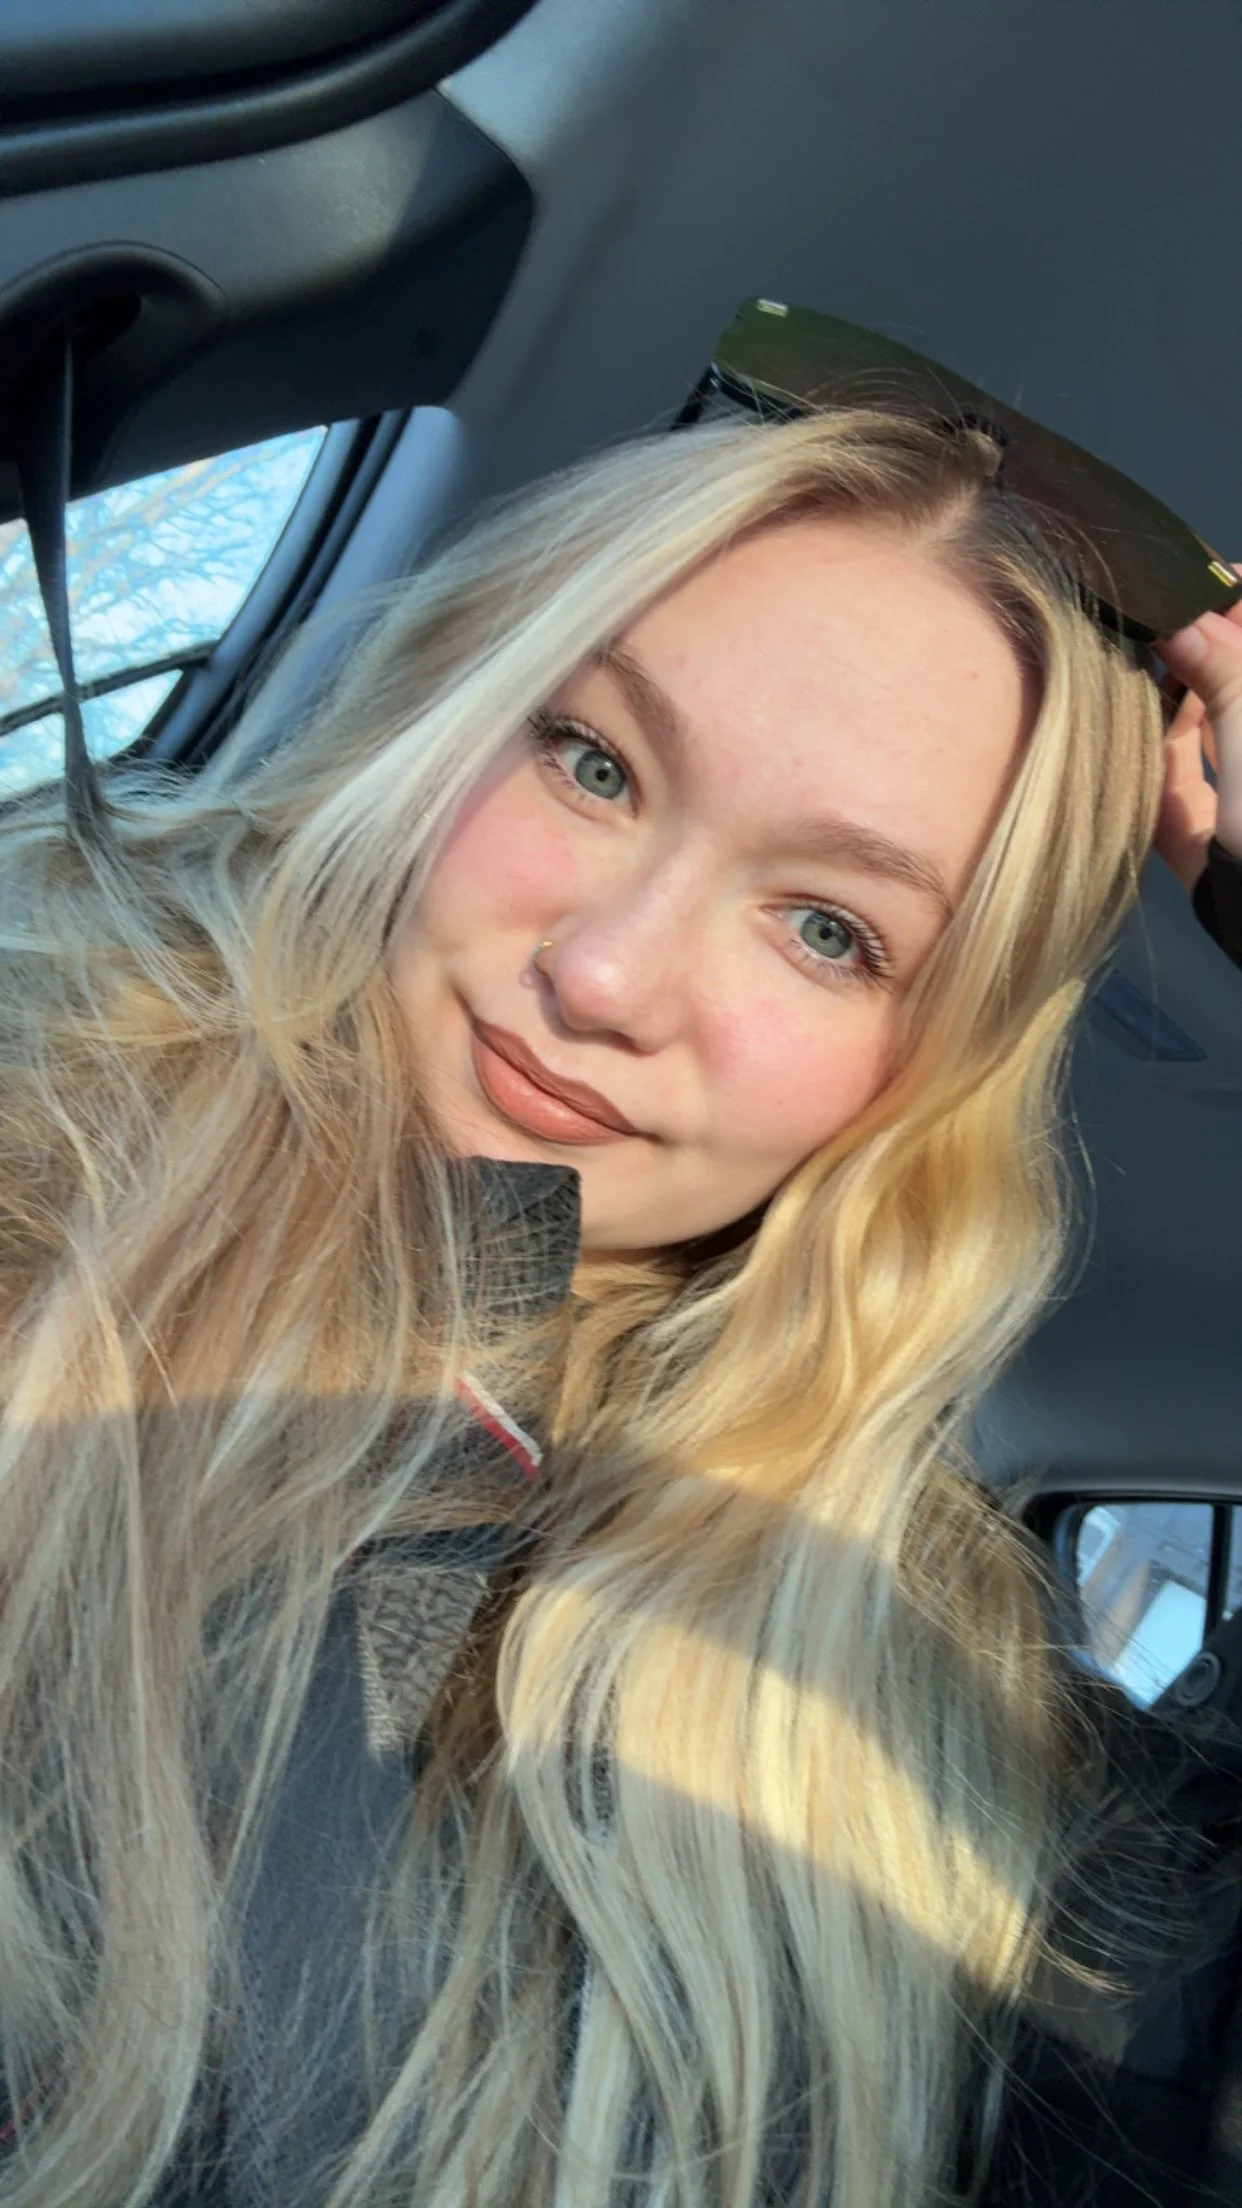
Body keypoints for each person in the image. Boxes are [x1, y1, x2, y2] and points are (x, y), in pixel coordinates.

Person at [0, 405, 1240, 2208]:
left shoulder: (890, 1746)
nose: (600, 974)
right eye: (592, 763)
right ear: (450, 704)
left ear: (923, 1084)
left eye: (829, 929)